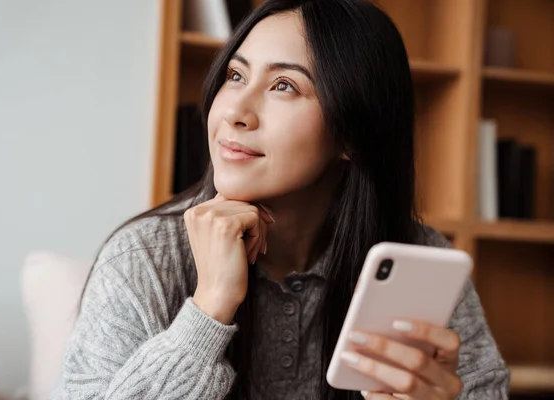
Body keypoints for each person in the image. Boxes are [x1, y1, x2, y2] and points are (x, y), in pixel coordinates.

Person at [51, 0, 510, 399]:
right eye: (235, 75)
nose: (234, 111)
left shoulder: (416, 257)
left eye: (283, 86)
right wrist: (208, 310)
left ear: (352, 132)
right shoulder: (143, 258)